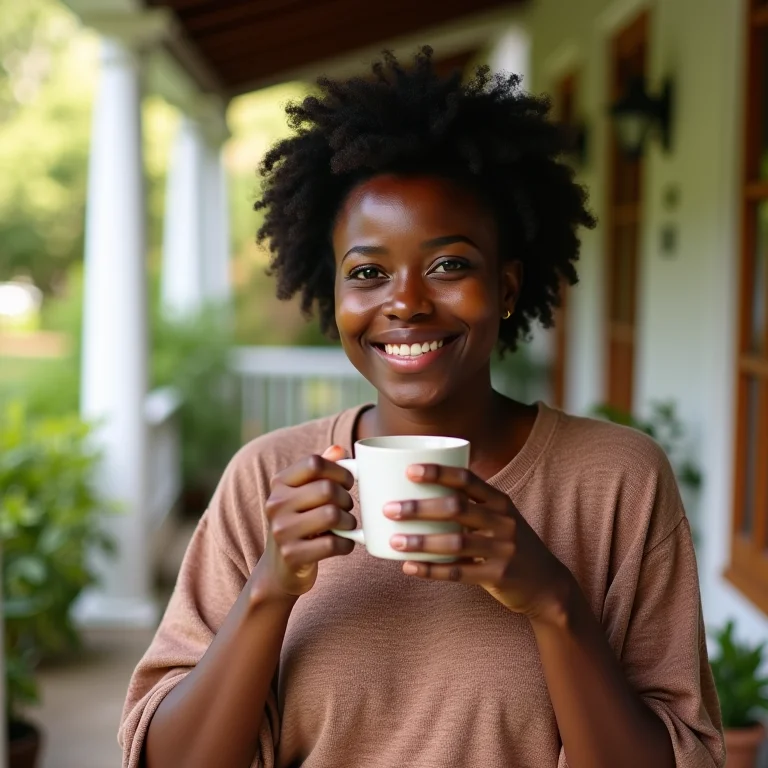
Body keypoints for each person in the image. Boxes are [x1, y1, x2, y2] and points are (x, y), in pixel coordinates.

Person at [119, 48, 725, 768]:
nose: (405, 302)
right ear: (334, 296)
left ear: (506, 288)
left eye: (448, 265)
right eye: (368, 272)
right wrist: (268, 591)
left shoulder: (618, 480)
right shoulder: (267, 478)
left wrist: (552, 600)